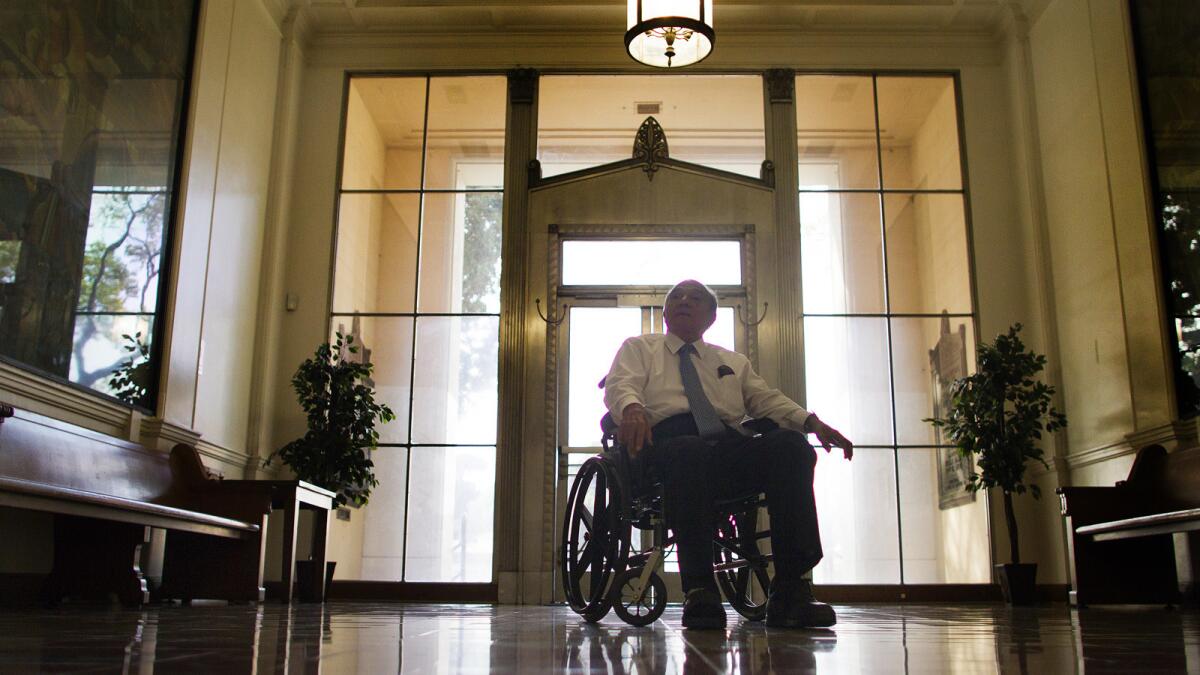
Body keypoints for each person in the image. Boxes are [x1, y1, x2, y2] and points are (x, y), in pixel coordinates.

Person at [604, 279, 853, 630]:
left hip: (726, 446)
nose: (684, 301)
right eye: (676, 297)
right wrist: (631, 408)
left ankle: (791, 590)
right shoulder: (640, 348)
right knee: (689, 452)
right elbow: (621, 383)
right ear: (665, 313)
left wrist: (811, 422)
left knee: (791, 447)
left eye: (695, 298)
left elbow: (766, 400)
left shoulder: (731, 361)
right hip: (666, 445)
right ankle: (700, 589)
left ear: (711, 316)